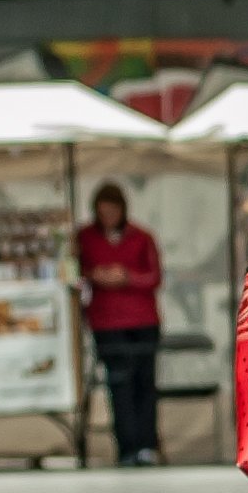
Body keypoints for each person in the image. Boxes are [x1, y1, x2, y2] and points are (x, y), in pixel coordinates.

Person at [75, 182, 164, 466]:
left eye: (112, 212)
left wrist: (126, 277)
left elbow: (155, 277)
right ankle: (127, 447)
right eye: (103, 213)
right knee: (119, 384)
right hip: (106, 322)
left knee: (144, 383)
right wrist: (95, 276)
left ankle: (147, 445)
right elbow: (76, 272)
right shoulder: (85, 239)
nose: (108, 217)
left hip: (142, 320)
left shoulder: (141, 237)